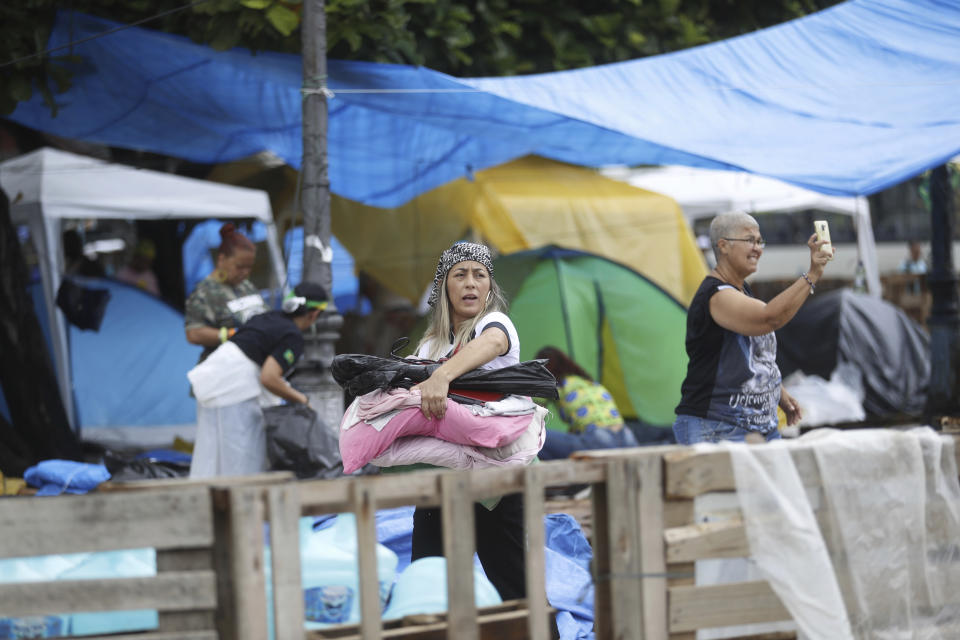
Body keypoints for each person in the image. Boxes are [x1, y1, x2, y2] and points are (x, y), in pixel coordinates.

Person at [406, 241, 527, 601]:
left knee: (514, 587)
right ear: (445, 286)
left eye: (480, 275)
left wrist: (441, 377)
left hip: (495, 483)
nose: (471, 283)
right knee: (428, 581)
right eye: (460, 275)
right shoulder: (429, 347)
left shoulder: (495, 324)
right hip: (441, 482)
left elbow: (491, 343)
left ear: (490, 287)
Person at [673, 211, 832, 444]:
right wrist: (812, 275)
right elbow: (769, 318)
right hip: (717, 427)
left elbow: (755, 357)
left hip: (760, 428)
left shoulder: (742, 290)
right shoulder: (716, 296)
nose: (758, 248)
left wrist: (779, 393)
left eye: (760, 241)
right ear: (723, 246)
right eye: (750, 240)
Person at [186, 282, 328, 478]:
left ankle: (207, 502)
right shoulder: (292, 336)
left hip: (210, 381)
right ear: (313, 315)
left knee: (210, 454)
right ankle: (241, 505)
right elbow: (269, 378)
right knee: (243, 460)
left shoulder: (266, 317)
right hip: (234, 391)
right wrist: (302, 400)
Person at [535, 346, 639, 459]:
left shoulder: (555, 386)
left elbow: (534, 412)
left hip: (601, 440)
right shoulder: (589, 382)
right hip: (628, 438)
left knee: (534, 436)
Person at [184, 223, 267, 362]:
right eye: (240, 267)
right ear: (222, 259)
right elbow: (193, 334)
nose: (245, 273)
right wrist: (231, 334)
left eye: (249, 267)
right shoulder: (204, 292)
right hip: (222, 370)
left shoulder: (245, 286)